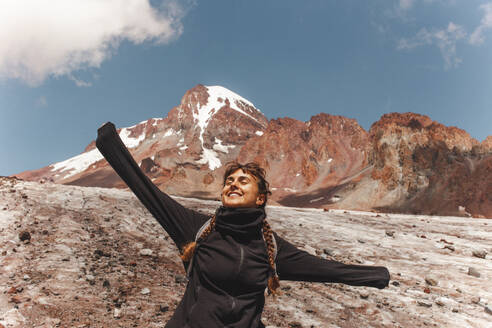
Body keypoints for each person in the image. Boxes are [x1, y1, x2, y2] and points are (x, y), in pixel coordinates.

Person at [96, 122, 390, 328]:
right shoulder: (197, 229)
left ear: (260, 197)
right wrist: (109, 142)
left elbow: (324, 269)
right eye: (229, 181)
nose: (233, 185)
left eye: (242, 181)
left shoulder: (271, 246)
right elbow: (150, 194)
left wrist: (377, 275)